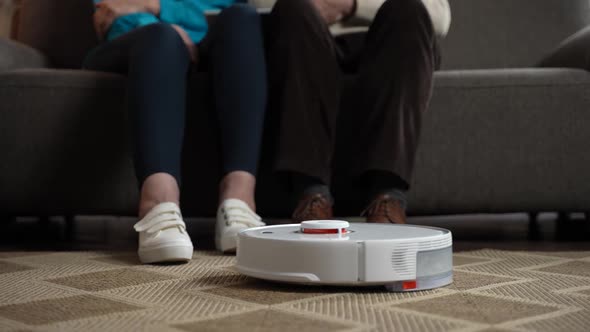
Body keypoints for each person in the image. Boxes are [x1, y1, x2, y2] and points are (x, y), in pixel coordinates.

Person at [84, 0, 267, 262]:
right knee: (162, 38)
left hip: (212, 47)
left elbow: (223, 13)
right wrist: (166, 24)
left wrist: (153, 5)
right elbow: (112, 12)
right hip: (137, 42)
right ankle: (158, 203)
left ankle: (238, 201)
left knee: (241, 18)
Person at [257, 0, 451, 223]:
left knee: (409, 9)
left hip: (390, 38)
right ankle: (311, 195)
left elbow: (439, 15)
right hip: (307, 34)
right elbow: (261, 5)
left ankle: (387, 198)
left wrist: (351, 6)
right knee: (293, 8)